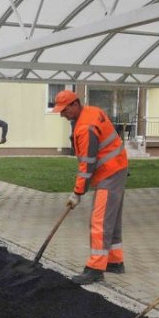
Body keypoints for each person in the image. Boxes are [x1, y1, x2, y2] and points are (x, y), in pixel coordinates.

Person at [52, 90, 129, 285]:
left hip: (109, 173)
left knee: (100, 221)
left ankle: (95, 268)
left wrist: (77, 193)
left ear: (75, 104)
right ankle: (114, 261)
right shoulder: (92, 111)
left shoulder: (85, 127)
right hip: (117, 167)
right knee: (112, 218)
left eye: (65, 110)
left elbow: (87, 166)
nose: (62, 114)